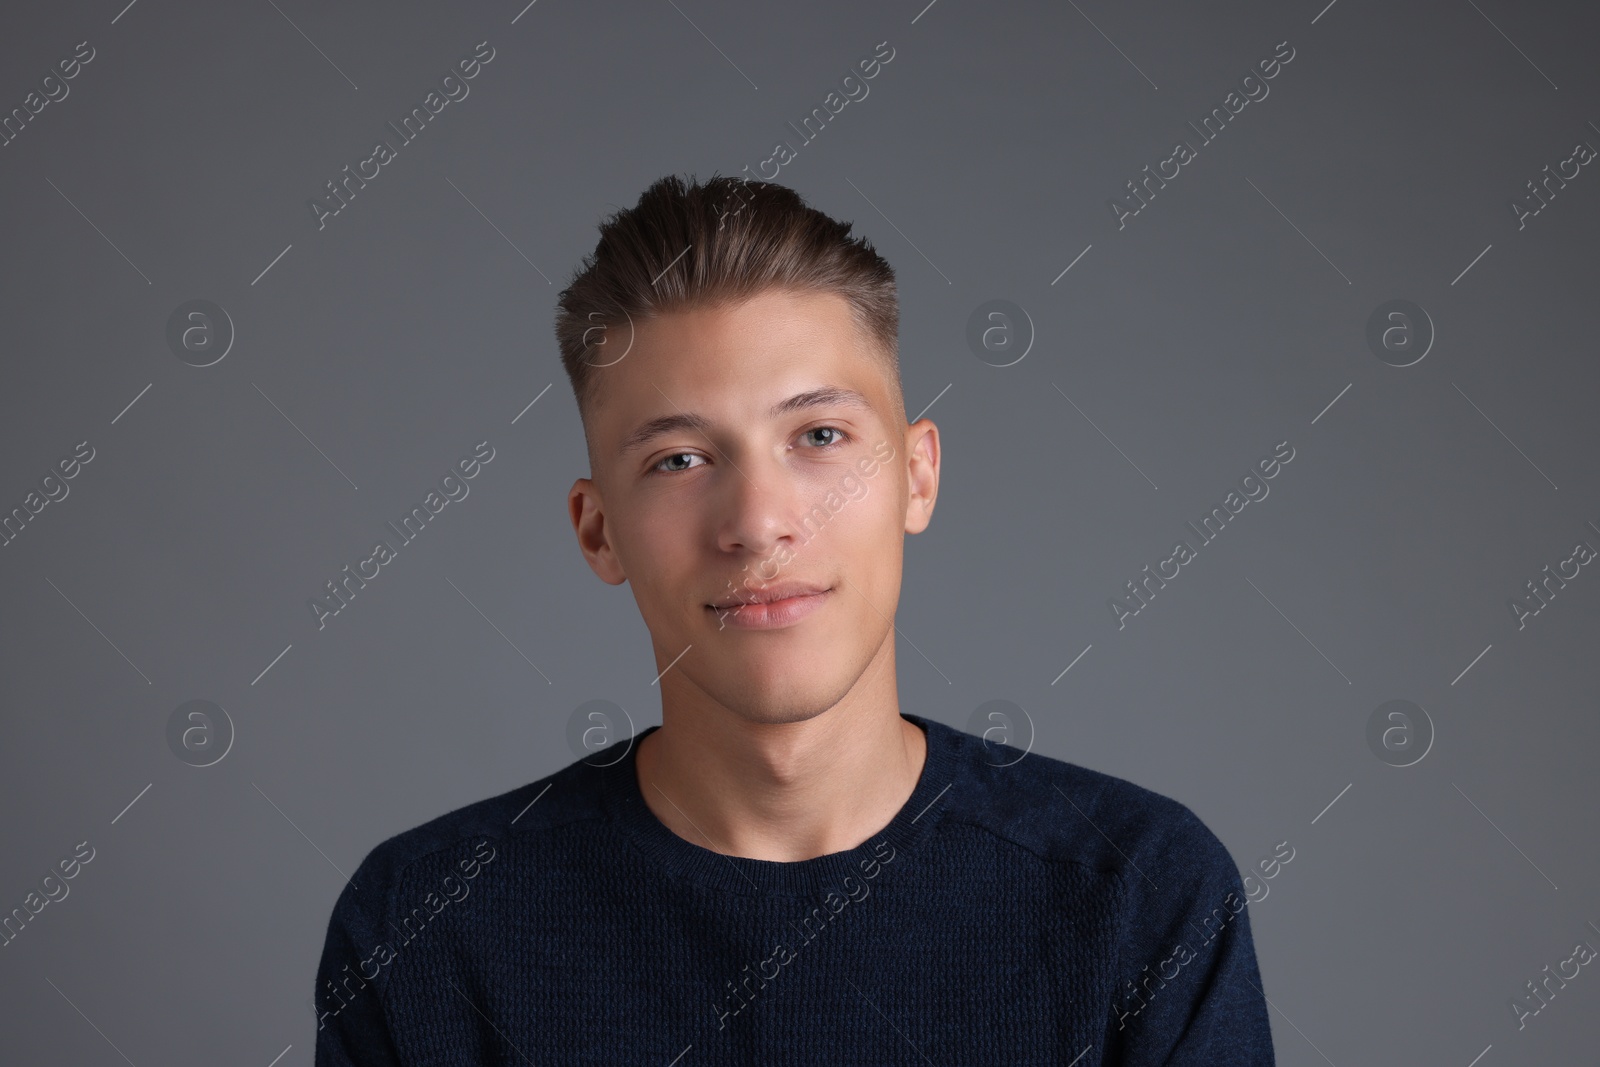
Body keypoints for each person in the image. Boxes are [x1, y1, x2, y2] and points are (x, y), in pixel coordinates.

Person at [312, 173, 1277, 1065]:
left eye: (819, 436)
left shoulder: (1140, 897)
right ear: (598, 530)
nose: (760, 521)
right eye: (680, 459)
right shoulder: (424, 928)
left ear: (918, 471)